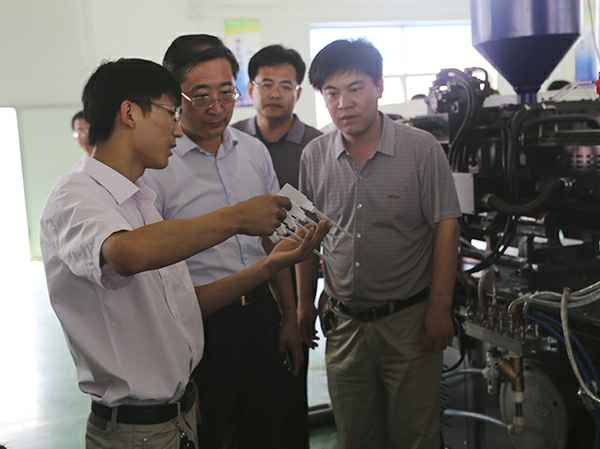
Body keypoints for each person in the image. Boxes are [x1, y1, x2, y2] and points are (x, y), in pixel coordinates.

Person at [41, 58, 327, 449]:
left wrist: (269, 266)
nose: (177, 129)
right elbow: (127, 254)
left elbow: (184, 304)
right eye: (170, 114)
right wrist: (237, 218)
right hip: (136, 430)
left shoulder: (140, 199)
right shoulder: (77, 195)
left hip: (176, 416)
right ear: (130, 113)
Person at [296, 39, 461, 449]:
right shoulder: (314, 155)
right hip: (343, 325)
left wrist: (440, 308)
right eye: (331, 93)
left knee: (415, 435)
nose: (343, 103)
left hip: (409, 322)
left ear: (379, 86)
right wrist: (302, 306)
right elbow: (305, 239)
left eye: (355, 88)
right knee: (355, 434)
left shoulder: (421, 150)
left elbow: (446, 228)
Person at [143, 35, 304, 449]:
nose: (216, 107)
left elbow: (275, 241)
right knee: (217, 433)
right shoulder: (157, 166)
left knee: (273, 429)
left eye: (226, 92)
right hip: (200, 323)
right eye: (200, 96)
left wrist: (289, 315)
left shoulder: (253, 152)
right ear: (174, 98)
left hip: (262, 314)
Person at [232, 44, 321, 449]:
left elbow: (305, 234)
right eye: (266, 83)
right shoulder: (231, 143)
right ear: (251, 89)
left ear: (298, 93)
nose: (274, 93)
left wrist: (303, 305)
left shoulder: (315, 147)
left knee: (288, 400)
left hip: (294, 288)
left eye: (286, 85)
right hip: (238, 290)